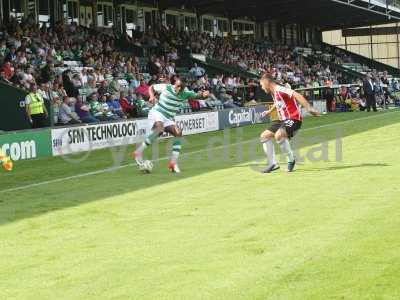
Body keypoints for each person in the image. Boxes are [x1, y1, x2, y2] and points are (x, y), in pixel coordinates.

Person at [133, 76, 210, 173]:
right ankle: (138, 152)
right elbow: (151, 88)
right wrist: (152, 96)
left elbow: (198, 96)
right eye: (176, 85)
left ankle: (173, 163)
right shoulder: (167, 87)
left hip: (168, 117)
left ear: (182, 88)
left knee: (178, 133)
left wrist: (205, 94)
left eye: (179, 87)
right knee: (160, 130)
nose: (176, 88)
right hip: (157, 112)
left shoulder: (186, 93)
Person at [259, 73, 320, 173]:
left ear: (266, 82)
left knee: (279, 135)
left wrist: (309, 108)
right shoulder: (273, 92)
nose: (261, 87)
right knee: (264, 136)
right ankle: (273, 164)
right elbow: (278, 102)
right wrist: (269, 111)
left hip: (294, 118)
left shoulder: (280, 89)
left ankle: (291, 160)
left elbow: (297, 95)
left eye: (262, 85)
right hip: (283, 119)